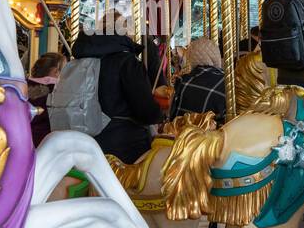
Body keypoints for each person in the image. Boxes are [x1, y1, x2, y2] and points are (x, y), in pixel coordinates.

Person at [71, 15, 163, 162]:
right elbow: (145, 109)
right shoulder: (127, 62)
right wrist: (159, 114)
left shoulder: (80, 60)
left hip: (80, 139)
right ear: (125, 33)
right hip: (122, 144)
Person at [169, 36, 227, 123]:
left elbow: (172, 114)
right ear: (216, 55)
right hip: (215, 133)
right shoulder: (226, 80)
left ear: (191, 58)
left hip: (182, 131)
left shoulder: (182, 80)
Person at [27, 51, 66, 146]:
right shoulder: (59, 90)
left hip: (23, 137)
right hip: (47, 141)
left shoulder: (23, 86)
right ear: (56, 72)